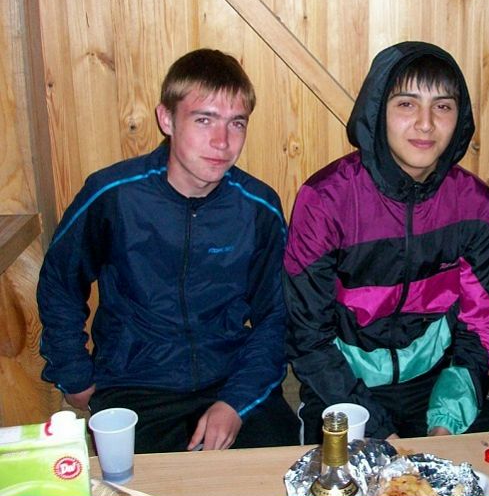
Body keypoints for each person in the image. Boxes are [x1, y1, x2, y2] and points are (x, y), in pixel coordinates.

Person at [37, 48, 298, 452]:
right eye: (203, 119)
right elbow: (60, 280)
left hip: (231, 381)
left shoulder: (258, 207)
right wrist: (74, 375)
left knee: (279, 472)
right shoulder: (113, 194)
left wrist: (235, 402)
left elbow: (276, 315)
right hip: (135, 387)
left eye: (236, 123)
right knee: (141, 483)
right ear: (166, 119)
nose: (222, 142)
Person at [284, 41, 489, 443]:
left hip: (437, 381)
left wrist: (446, 420)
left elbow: (480, 324)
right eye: (406, 104)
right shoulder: (326, 200)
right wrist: (378, 432)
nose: (425, 123)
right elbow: (308, 336)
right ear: (377, 110)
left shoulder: (474, 203)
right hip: (343, 384)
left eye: (442, 106)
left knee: (488, 473)